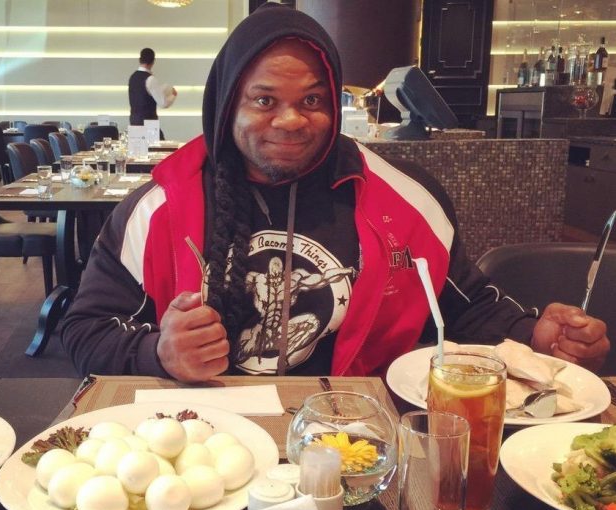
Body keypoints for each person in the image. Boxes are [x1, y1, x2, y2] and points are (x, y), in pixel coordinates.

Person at [62, 3, 609, 382]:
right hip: (201, 437)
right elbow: (84, 330)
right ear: (227, 104)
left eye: (312, 100)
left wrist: (536, 334)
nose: (290, 121)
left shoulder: (403, 199)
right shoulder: (158, 207)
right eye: (264, 100)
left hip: (352, 434)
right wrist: (157, 352)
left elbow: (466, 305)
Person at [128, 47, 177, 127]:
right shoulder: (150, 79)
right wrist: (173, 95)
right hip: (149, 125)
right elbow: (163, 104)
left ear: (140, 59)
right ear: (153, 61)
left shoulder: (133, 77)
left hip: (134, 123)